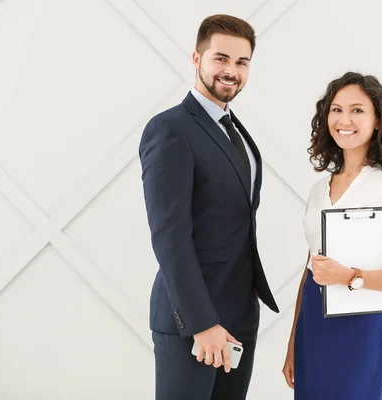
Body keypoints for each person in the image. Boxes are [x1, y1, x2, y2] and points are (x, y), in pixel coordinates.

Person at [139, 14, 279, 400]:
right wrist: (201, 324)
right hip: (195, 323)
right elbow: (170, 236)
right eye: (221, 59)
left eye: (241, 62)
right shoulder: (170, 129)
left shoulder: (236, 131)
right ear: (197, 58)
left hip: (239, 318)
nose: (231, 71)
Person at [282, 71, 382, 399]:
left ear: (377, 120)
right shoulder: (319, 189)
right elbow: (309, 275)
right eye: (336, 109)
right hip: (314, 327)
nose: (344, 119)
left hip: (361, 326)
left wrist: (349, 276)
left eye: (357, 110)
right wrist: (293, 342)